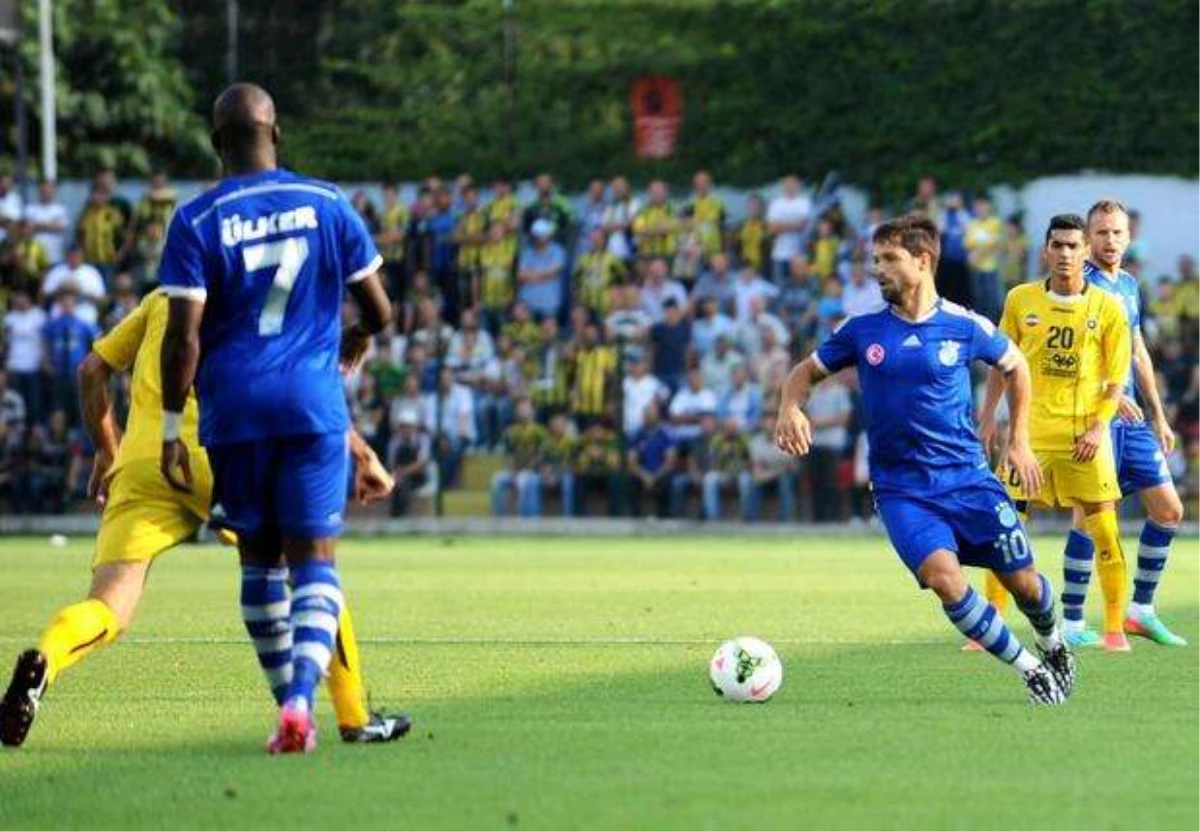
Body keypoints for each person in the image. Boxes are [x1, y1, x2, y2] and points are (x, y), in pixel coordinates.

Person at [0, 288, 407, 749]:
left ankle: (45, 659)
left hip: (141, 463)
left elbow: (92, 369)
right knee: (311, 572)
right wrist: (363, 454)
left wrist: (105, 448)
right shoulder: (251, 296)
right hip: (219, 452)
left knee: (109, 602)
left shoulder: (160, 298)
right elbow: (296, 384)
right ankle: (355, 717)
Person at [155, 84, 396, 753]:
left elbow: (183, 339)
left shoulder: (196, 220)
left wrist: (173, 428)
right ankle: (299, 699)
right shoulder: (326, 202)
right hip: (312, 406)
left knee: (258, 562)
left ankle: (292, 714)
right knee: (315, 560)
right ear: (277, 133)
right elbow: (379, 309)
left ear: (216, 143)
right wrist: (358, 338)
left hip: (232, 411)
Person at [775, 212, 1075, 705]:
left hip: (969, 481)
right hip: (902, 490)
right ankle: (1028, 668)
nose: (878, 270)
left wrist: (1017, 440)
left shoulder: (963, 325)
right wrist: (789, 407)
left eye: (889, 259)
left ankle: (1053, 642)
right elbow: (803, 374)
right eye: (875, 260)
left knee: (1024, 585)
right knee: (945, 580)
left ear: (923, 260)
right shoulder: (861, 331)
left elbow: (1017, 366)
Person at [1024, 201, 1184, 648]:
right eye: (1101, 233)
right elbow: (1067, 360)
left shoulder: (1130, 285)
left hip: (1131, 416)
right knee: (1091, 518)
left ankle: (1140, 611)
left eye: (1117, 233)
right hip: (1095, 418)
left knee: (1169, 510)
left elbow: (1137, 351)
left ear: (1129, 238)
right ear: (1088, 238)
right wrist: (1106, 403)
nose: (1109, 241)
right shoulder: (1079, 284)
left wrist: (1157, 412)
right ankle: (1073, 622)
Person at [977, 213, 1132, 651]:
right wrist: (988, 418)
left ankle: (1116, 629)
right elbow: (999, 363)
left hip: (1084, 436)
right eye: (1057, 245)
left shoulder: (1108, 308)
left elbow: (1116, 379)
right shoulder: (1020, 299)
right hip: (1029, 436)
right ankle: (991, 622)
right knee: (1005, 526)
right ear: (1045, 250)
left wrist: (1099, 427)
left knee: (1104, 528)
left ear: (1086, 253)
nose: (1065, 254)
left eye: (1072, 246)